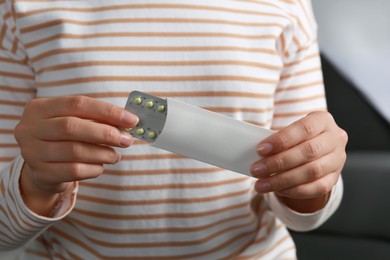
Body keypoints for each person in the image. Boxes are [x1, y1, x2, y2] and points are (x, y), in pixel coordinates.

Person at [0, 0, 347, 259]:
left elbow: (310, 203)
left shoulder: (284, 4)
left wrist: (312, 178)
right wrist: (34, 183)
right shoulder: (21, 8)